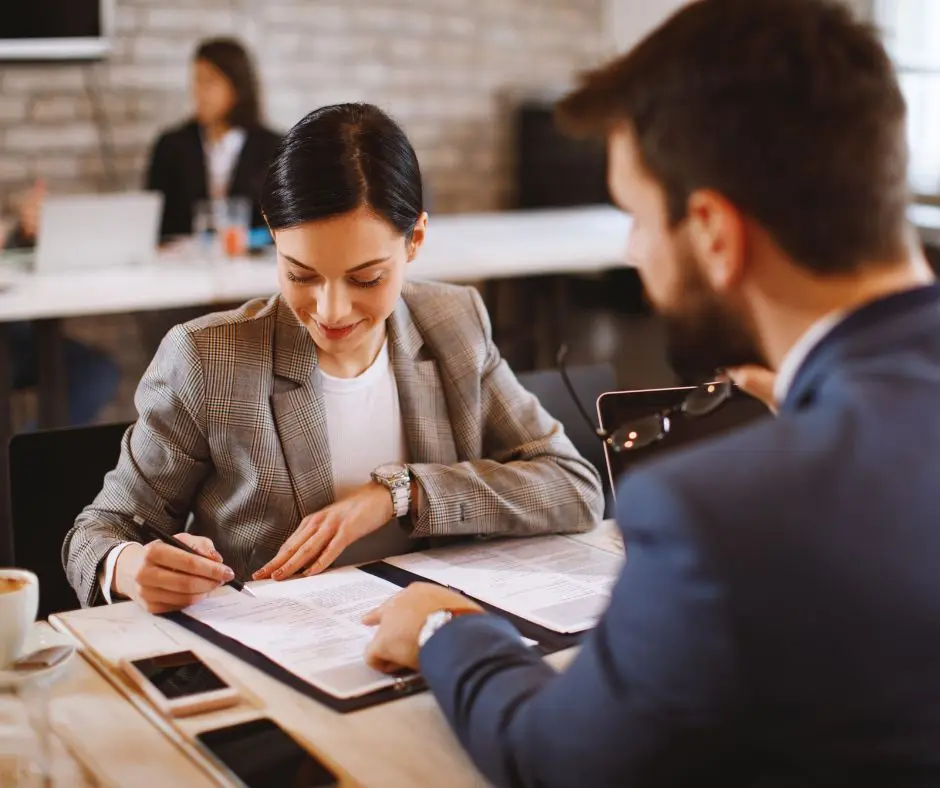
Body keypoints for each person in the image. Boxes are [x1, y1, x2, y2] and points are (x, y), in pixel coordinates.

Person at [362, 1, 940, 785]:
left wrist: (444, 631)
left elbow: (555, 761)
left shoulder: (720, 514)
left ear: (713, 234)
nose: (634, 251)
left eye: (635, 218)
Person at [63, 102, 604, 612]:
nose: (331, 310)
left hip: (426, 636)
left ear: (415, 239)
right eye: (300, 275)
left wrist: (402, 493)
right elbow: (98, 533)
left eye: (366, 278)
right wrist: (128, 567)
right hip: (274, 647)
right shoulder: (209, 359)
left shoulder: (453, 323)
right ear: (272, 234)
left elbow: (574, 487)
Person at [2, 181, 120, 428]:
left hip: (12, 336)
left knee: (96, 372)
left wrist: (24, 235)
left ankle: (30, 451)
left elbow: (9, 261)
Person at [145, 37, 281, 241]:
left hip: (252, 257)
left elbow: (285, 225)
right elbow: (155, 222)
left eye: (210, 81)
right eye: (196, 81)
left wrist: (247, 240)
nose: (198, 92)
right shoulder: (171, 146)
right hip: (185, 257)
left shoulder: (274, 147)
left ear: (237, 87)